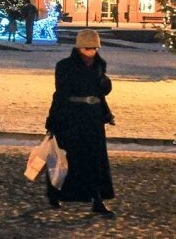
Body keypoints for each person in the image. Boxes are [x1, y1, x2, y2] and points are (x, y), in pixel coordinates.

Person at [45, 29, 116, 217]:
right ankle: (55, 192)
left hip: (92, 118)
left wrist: (106, 112)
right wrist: (53, 120)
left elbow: (101, 93)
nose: (91, 52)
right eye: (87, 48)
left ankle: (97, 199)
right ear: (78, 48)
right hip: (71, 118)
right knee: (68, 159)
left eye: (94, 48)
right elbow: (60, 94)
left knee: (95, 160)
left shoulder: (100, 65)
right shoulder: (65, 66)